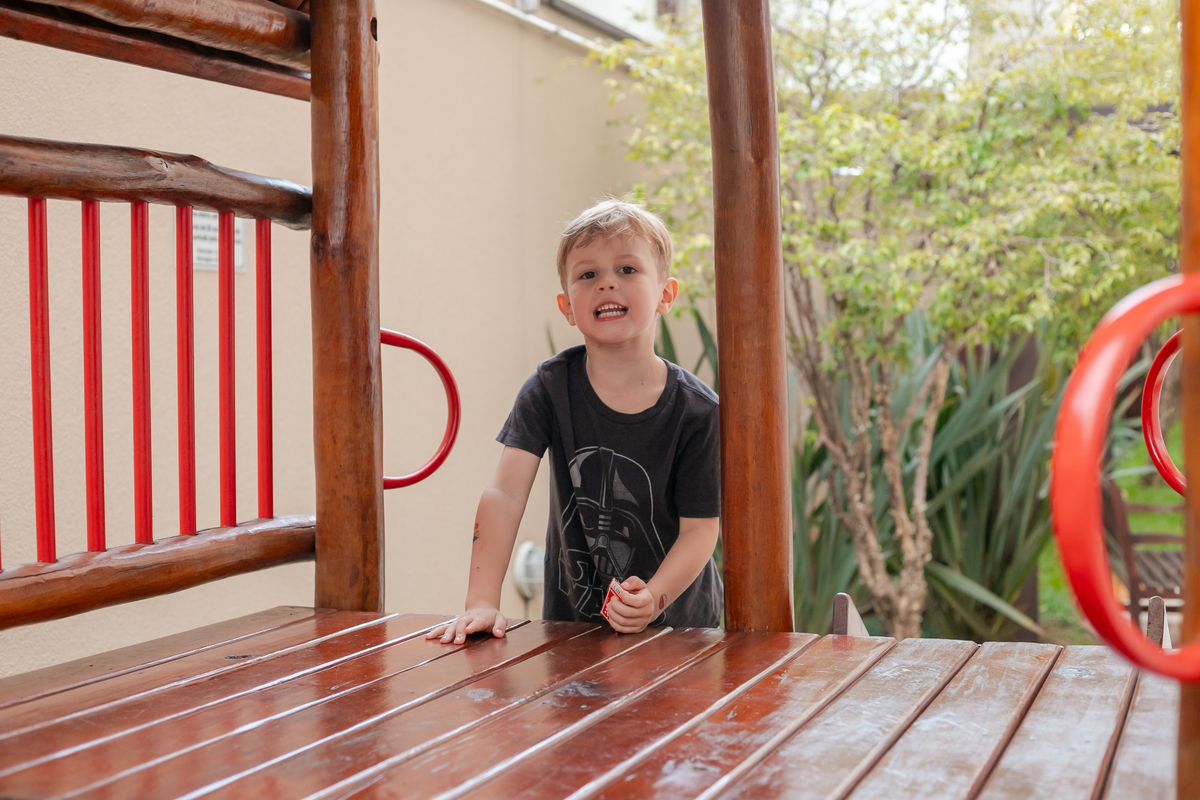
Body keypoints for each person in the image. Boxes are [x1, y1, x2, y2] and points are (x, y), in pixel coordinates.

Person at [428, 199, 722, 644]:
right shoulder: (549, 388)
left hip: (679, 632)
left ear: (666, 294)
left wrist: (654, 598)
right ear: (567, 307)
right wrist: (481, 601)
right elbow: (505, 494)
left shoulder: (697, 411)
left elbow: (700, 529)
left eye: (627, 269)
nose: (607, 283)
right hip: (573, 630)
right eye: (588, 275)